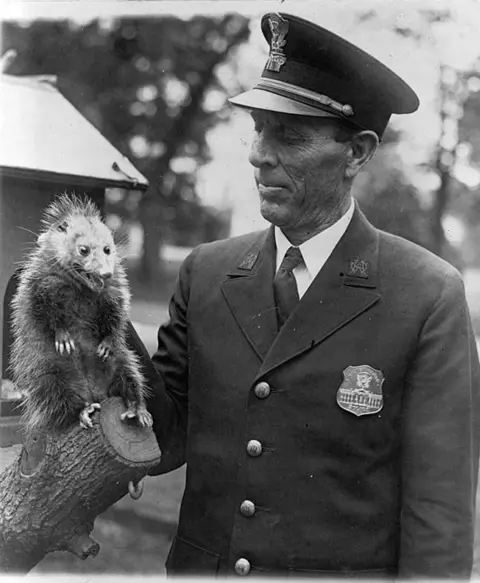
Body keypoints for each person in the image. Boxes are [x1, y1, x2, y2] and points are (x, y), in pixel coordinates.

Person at [127, 11, 480, 578]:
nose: (258, 154)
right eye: (259, 128)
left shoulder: (428, 297)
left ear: (358, 153)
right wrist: (100, 320)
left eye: (288, 135)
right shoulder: (207, 273)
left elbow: (439, 515)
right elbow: (160, 438)